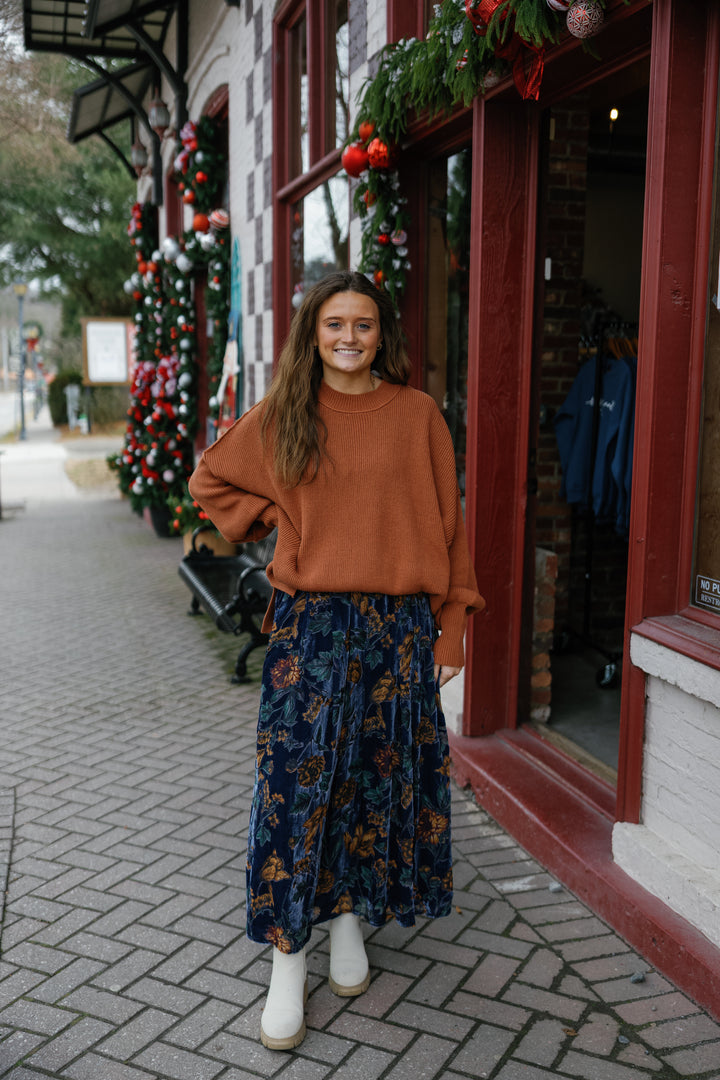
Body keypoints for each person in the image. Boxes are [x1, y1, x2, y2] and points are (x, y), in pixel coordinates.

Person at [189, 270, 485, 1050]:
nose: (349, 338)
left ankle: (350, 919)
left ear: (382, 333)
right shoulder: (287, 411)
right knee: (294, 787)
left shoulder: (418, 415)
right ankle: (289, 959)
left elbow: (451, 528)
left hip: (398, 629)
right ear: (311, 334)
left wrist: (452, 625)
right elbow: (211, 477)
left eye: (363, 325)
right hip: (311, 629)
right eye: (333, 325)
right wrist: (272, 515)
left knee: (374, 780)